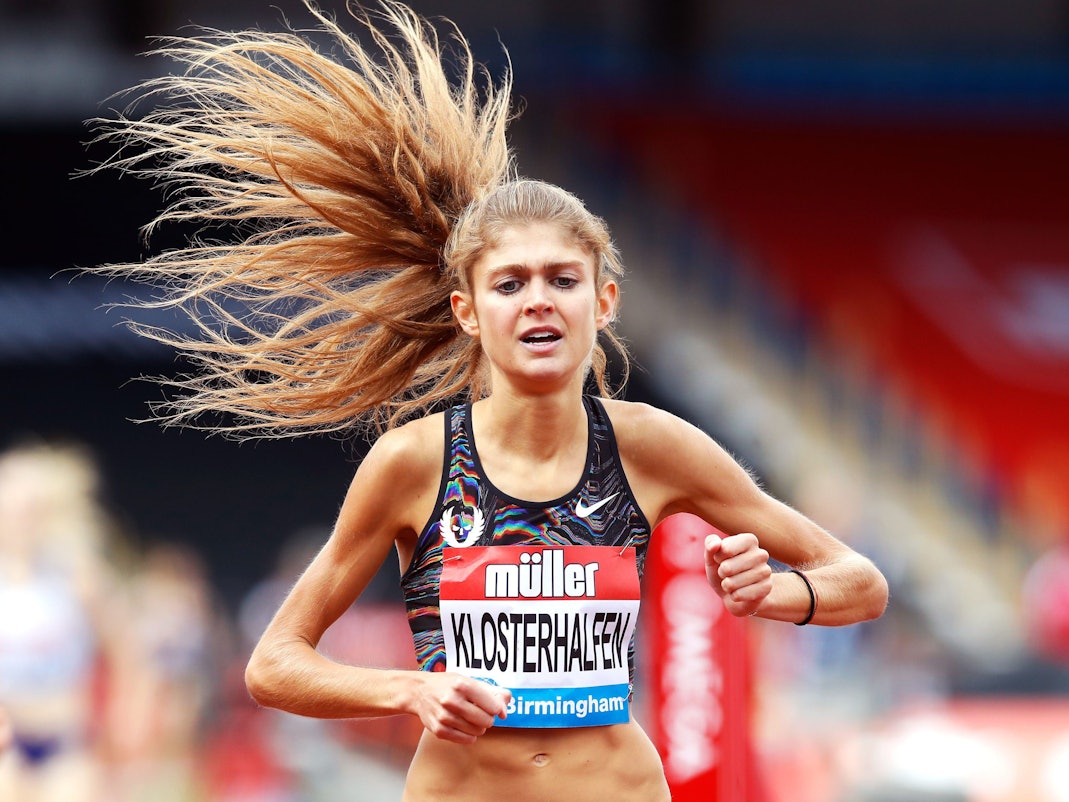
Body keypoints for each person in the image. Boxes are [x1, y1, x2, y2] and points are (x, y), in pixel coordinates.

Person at [89, 2, 889, 800]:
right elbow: (273, 665)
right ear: (469, 311)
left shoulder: (650, 448)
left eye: (561, 280)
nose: (537, 301)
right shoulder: (415, 462)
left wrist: (774, 595)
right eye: (509, 284)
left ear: (603, 302)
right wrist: (410, 689)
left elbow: (859, 582)